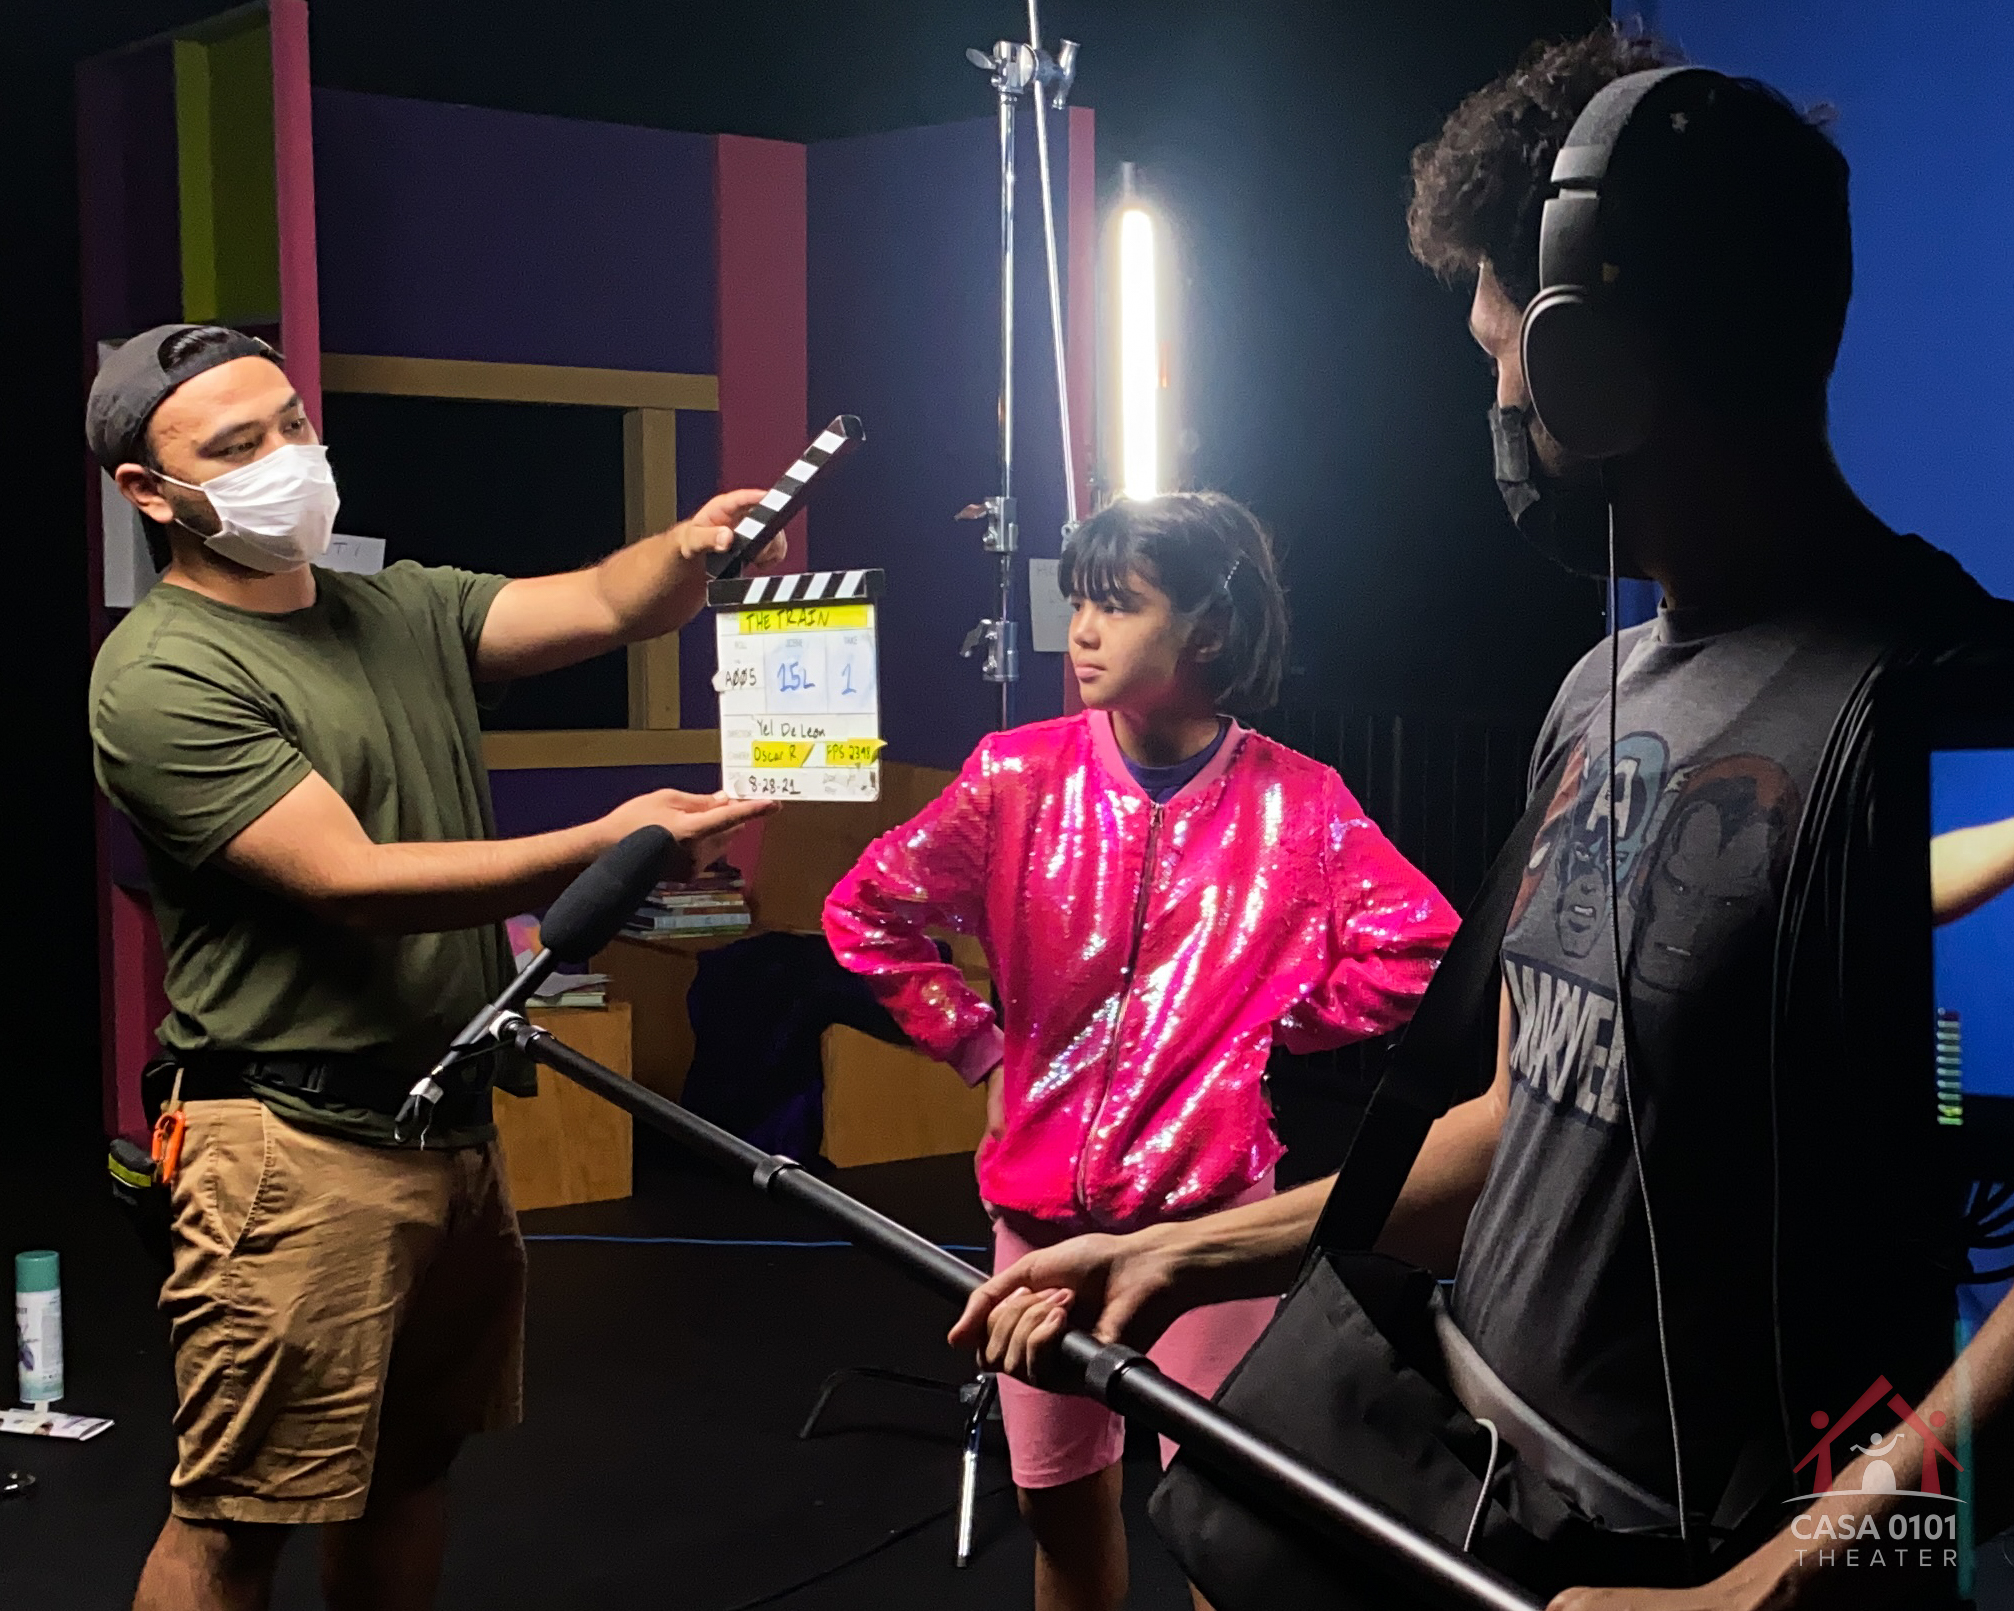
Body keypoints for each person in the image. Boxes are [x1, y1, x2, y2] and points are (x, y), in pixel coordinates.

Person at [950, 27, 2014, 1610]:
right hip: (1485, 1515)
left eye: (1497, 350)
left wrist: (1774, 1587)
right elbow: (1520, 1120)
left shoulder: (1948, 700)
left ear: (1587, 359)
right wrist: (1190, 1248)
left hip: (1707, 1566)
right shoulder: (1599, 689)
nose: (1499, 404)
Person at [86, 323, 781, 1611]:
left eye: (291, 423)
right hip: (289, 1143)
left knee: (414, 1471)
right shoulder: (161, 673)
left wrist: (689, 555)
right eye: (236, 446)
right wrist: (613, 845)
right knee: (237, 1518)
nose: (286, 458)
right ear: (149, 492)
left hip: (446, 1123)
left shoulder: (396, 609)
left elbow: (601, 602)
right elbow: (348, 884)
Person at [824, 491, 1459, 1611]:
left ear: (1205, 629)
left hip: (1212, 1230)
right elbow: (865, 912)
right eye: (1077, 603)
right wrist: (977, 1046)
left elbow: (1421, 948)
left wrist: (1262, 1032)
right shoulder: (1012, 778)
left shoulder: (1300, 805)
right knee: (1057, 1511)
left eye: (1115, 606)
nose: (1081, 631)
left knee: (1227, 1525)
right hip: (1036, 1226)